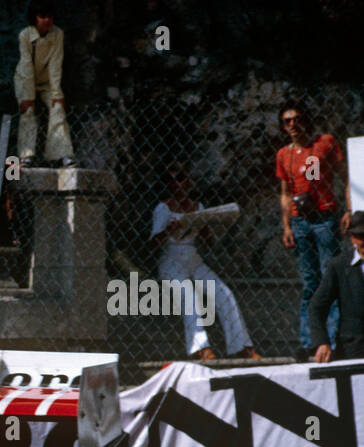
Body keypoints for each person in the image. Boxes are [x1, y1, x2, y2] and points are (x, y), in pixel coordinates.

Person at [150, 164, 258, 361]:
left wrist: (205, 227)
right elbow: (152, 245)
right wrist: (169, 231)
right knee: (189, 297)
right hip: (171, 260)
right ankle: (201, 348)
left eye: (180, 178)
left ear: (188, 182)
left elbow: (208, 244)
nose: (176, 184)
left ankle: (242, 346)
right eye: (170, 180)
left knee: (224, 294)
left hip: (194, 259)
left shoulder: (197, 207)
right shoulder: (163, 208)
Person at [275, 101, 351, 359]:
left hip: (325, 218)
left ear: (306, 119)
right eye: (287, 121)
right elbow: (285, 193)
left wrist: (348, 209)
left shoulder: (324, 143)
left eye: (297, 118)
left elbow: (345, 176)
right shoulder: (284, 155)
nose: (293, 124)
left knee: (330, 277)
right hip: (300, 221)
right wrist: (286, 226)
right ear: (283, 126)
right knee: (310, 282)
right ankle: (310, 341)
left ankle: (332, 339)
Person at [13, 1, 75, 168]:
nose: (46, 20)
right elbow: (26, 65)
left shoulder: (57, 34)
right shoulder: (25, 35)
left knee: (57, 108)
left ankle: (61, 154)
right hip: (25, 79)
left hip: (47, 81)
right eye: (42, 17)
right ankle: (25, 155)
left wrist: (57, 94)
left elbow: (56, 64)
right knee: (28, 111)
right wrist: (28, 96)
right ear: (35, 18)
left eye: (49, 16)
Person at [308, 212, 364, 362]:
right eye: (360, 236)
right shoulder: (338, 266)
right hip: (354, 349)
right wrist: (321, 342)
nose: (363, 241)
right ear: (351, 237)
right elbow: (317, 306)